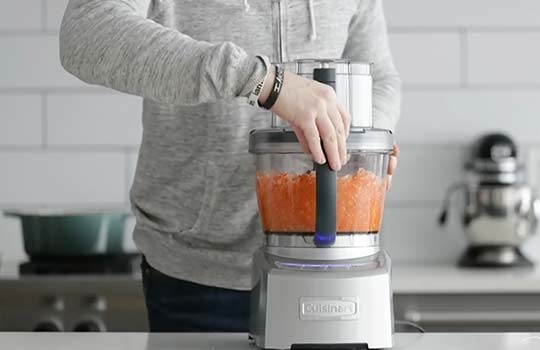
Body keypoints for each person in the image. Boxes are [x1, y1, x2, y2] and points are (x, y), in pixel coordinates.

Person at [59, 0, 401, 332]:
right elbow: (86, 29)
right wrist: (264, 81)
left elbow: (380, 77)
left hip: (332, 270)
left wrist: (362, 143)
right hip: (199, 274)